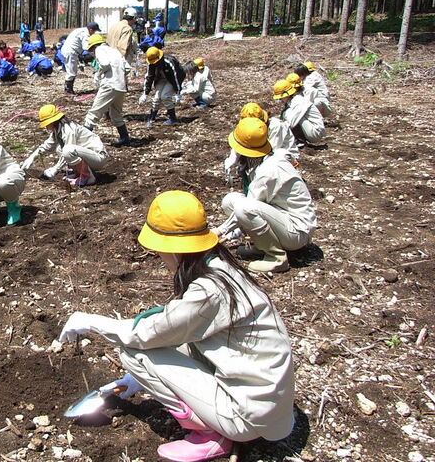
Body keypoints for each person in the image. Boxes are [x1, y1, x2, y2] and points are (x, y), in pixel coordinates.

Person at [57, 190, 295, 462]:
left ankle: (210, 434)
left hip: (247, 416)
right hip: (267, 403)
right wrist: (136, 380)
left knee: (134, 352)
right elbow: (184, 332)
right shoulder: (221, 267)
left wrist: (91, 322)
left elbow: (146, 334)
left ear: (169, 246)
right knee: (156, 349)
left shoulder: (209, 291)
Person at [214, 117, 316, 273]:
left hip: (297, 231)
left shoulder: (269, 170)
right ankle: (263, 245)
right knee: (230, 201)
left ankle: (276, 257)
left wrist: (220, 231)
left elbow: (248, 206)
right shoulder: (266, 160)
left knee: (243, 207)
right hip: (283, 218)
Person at [21, 104, 109, 187]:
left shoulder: (68, 131)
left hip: (99, 158)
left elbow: (68, 151)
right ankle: (79, 173)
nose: (46, 126)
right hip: (89, 156)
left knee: (67, 150)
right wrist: (32, 157)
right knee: (60, 148)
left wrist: (55, 169)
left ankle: (88, 177)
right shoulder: (58, 129)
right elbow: (46, 146)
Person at [225, 103, 299, 183]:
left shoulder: (276, 126)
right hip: (261, 152)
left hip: (280, 155)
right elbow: (242, 142)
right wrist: (233, 159)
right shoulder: (246, 128)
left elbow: (271, 151)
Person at [83, 33, 131, 147]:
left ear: (93, 46)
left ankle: (82, 140)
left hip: (109, 85)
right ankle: (125, 138)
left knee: (94, 113)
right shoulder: (114, 51)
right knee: (116, 114)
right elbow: (128, 68)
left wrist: (98, 74)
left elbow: (104, 64)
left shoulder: (99, 50)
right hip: (121, 86)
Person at [139, 46, 185, 127]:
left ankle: (173, 118)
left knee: (165, 96)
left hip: (173, 79)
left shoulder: (169, 62)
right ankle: (152, 118)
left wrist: (178, 92)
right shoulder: (151, 64)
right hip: (161, 78)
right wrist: (145, 93)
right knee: (156, 98)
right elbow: (149, 77)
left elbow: (175, 77)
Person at [273, 78, 325, 145]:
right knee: (286, 115)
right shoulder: (292, 101)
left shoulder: (298, 101)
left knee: (288, 117)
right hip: (310, 129)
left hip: (315, 132)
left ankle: (299, 141)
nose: (280, 99)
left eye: (281, 97)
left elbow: (290, 123)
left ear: (288, 94)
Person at [60, 22, 99, 95]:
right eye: (94, 31)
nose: (94, 33)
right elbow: (86, 47)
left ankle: (69, 89)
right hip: (71, 52)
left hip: (68, 50)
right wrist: (96, 54)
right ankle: (68, 90)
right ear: (91, 29)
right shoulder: (85, 34)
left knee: (71, 70)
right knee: (71, 72)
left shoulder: (80, 30)